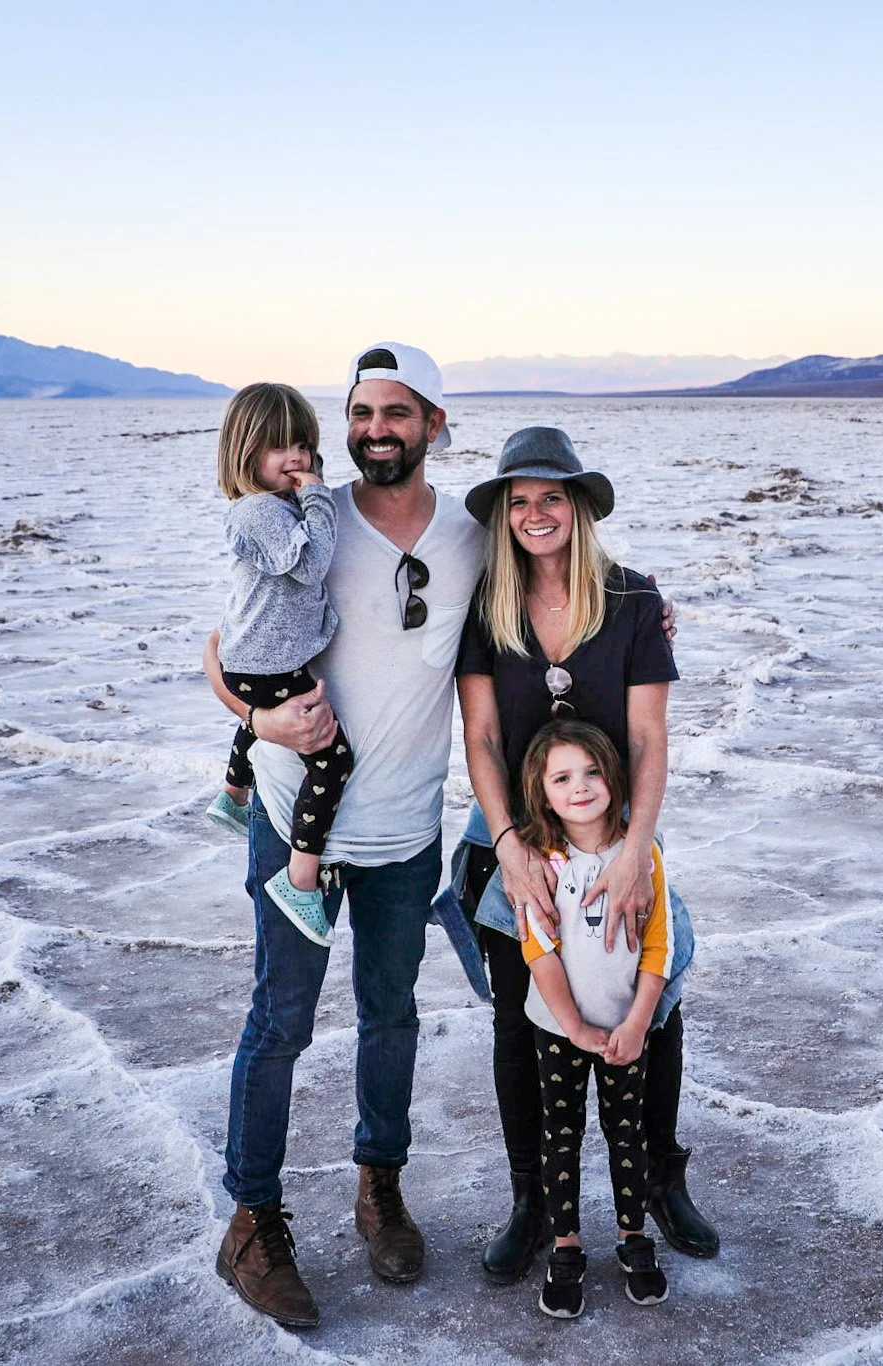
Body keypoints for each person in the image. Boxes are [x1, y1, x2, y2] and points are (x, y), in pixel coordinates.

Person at [202, 343, 480, 1329]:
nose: (375, 431)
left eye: (396, 413)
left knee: (390, 1016)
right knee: (280, 1021)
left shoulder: (470, 534)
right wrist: (257, 721)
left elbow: (553, 588)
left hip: (405, 825)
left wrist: (642, 608)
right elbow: (222, 650)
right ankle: (251, 1220)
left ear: (433, 423)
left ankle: (380, 1188)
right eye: (361, 414)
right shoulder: (301, 519)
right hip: (294, 817)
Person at [454, 425, 720, 1289]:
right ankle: (532, 1203)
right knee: (520, 1021)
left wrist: (637, 851)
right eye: (519, 501)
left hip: (618, 839)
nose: (535, 513)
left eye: (551, 497)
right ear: (503, 515)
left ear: (578, 506)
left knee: (655, 1010)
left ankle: (662, 1182)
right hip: (514, 840)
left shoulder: (633, 600)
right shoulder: (486, 607)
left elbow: (647, 738)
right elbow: (482, 738)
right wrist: (508, 847)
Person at [509, 720, 677, 1316]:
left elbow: (659, 947)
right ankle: (566, 1243)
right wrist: (575, 1026)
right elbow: (538, 951)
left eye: (592, 771)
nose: (579, 786)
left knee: (626, 1131)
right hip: (559, 1029)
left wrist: (637, 1023)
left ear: (615, 777)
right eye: (561, 778)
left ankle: (633, 1235)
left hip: (626, 1027)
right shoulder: (539, 863)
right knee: (561, 1133)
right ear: (541, 792)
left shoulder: (642, 854)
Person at [201, 382, 354, 946]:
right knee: (332, 760)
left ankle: (233, 796)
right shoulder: (260, 510)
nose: (296, 458)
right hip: (264, 662)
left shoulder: (271, 506)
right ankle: (300, 878)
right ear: (246, 454)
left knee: (263, 722)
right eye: (278, 447)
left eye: (303, 445)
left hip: (258, 658)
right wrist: (318, 496)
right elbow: (310, 565)